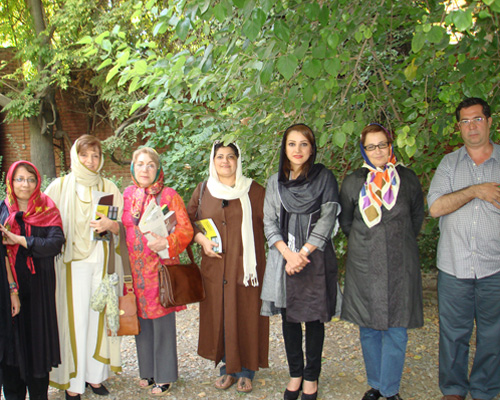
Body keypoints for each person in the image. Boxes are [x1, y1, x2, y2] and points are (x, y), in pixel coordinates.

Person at [339, 123, 424, 400]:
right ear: (363, 150)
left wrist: (395, 240)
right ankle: (375, 384)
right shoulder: (353, 181)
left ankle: (390, 389)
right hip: (364, 264)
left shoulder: (407, 179)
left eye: (382, 145)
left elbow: (416, 218)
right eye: (371, 146)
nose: (377, 151)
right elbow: (347, 222)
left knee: (397, 329)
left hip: (401, 263)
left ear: (390, 145)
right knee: (369, 328)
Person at [428, 97, 500, 400]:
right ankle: (454, 389)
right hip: (454, 266)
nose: (472, 127)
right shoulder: (449, 164)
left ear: (490, 122)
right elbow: (435, 207)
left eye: (477, 119)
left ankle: (484, 389)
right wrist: (475, 191)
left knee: (493, 334)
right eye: (465, 121)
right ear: (459, 127)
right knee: (453, 333)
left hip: (495, 268)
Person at [260, 124, 339, 400]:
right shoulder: (275, 182)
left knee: (314, 319)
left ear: (312, 148)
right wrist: (288, 255)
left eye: (304, 144)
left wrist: (302, 253)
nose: (298, 150)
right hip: (284, 259)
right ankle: (295, 374)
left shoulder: (324, 178)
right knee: (289, 319)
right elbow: (269, 221)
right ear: (284, 148)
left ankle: (311, 378)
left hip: (314, 257)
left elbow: (328, 217)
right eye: (292, 144)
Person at [187, 141, 269, 394]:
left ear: (238, 160)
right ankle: (227, 369)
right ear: (213, 161)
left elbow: (271, 224)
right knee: (220, 315)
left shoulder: (254, 191)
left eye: (230, 156)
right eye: (220, 156)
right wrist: (201, 240)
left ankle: (246, 370)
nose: (225, 161)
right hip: (216, 268)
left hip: (246, 267)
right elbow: (187, 221)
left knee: (246, 314)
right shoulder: (204, 190)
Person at [45, 135, 123, 400]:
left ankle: (95, 376)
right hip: (72, 265)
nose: (90, 161)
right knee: (76, 323)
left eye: (95, 155)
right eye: (85, 155)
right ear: (74, 156)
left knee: (97, 319)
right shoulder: (59, 187)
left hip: (101, 262)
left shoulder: (109, 187)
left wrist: (111, 226)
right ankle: (74, 384)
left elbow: (122, 227)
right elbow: (43, 222)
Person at [122, 147, 193, 396]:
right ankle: (148, 371)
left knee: (162, 322)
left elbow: (186, 230)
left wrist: (168, 242)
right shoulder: (127, 194)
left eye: (150, 164)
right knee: (141, 321)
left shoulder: (169, 195)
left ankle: (164, 375)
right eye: (140, 164)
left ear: (158, 169)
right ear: (133, 168)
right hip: (135, 271)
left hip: (160, 270)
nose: (145, 169)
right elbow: (122, 227)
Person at [0, 161, 65, 400]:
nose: (25, 184)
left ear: (37, 182)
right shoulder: (3, 209)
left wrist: (20, 240)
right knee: (12, 343)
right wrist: (11, 289)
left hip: (39, 288)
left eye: (30, 179)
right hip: (9, 289)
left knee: (37, 343)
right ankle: (14, 393)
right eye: (19, 179)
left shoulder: (47, 207)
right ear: (10, 182)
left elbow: (55, 243)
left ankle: (39, 394)